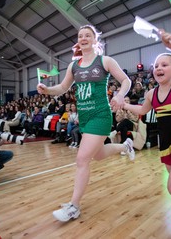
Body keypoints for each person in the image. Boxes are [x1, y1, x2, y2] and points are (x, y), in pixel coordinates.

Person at [37, 24, 134, 222]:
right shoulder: (74, 66)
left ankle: (74, 206)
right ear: (78, 41)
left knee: (82, 159)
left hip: (100, 115)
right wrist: (47, 90)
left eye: (87, 35)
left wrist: (120, 95)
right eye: (80, 36)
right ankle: (125, 145)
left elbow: (126, 81)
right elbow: (63, 88)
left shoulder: (104, 61)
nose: (83, 38)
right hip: (85, 117)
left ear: (94, 40)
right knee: (97, 155)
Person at [123, 29, 171, 226]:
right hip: (165, 145)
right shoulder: (151, 94)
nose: (158, 68)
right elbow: (142, 108)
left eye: (164, 64)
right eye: (156, 65)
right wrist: (124, 105)